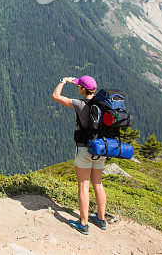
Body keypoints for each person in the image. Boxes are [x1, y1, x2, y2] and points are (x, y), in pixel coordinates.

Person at [51, 75, 108, 235]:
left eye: (79, 86)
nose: (77, 88)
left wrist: (62, 82)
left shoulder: (79, 104)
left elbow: (56, 96)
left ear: (83, 89)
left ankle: (83, 223)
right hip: (101, 148)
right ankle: (101, 219)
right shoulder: (103, 104)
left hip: (85, 148)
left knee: (83, 185)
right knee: (98, 183)